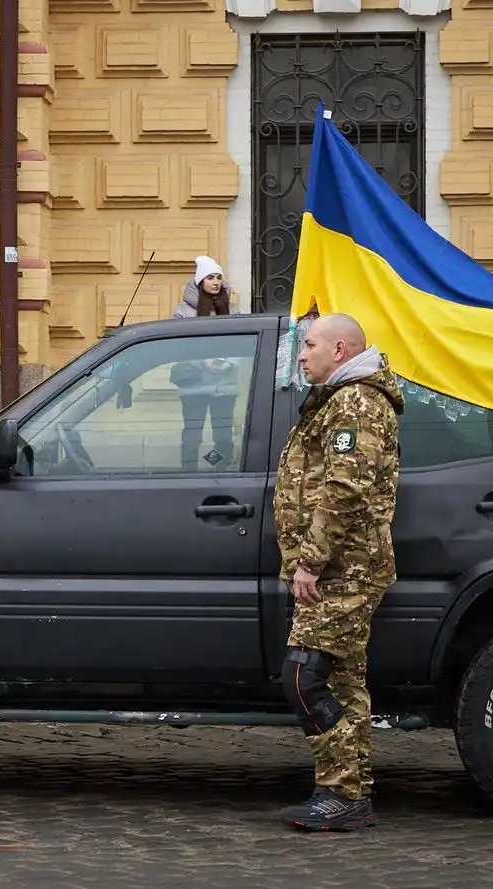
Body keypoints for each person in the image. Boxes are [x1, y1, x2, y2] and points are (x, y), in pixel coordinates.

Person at [272, 312, 404, 832]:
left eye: (309, 345)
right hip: (341, 568)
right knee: (345, 685)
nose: (301, 354)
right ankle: (348, 795)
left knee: (303, 677)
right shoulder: (340, 400)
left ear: (341, 350)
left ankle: (341, 789)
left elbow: (346, 490)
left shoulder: (356, 403)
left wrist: (310, 561)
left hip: (342, 571)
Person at [170, 256, 242, 470]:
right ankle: (189, 474)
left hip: (225, 386)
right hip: (194, 386)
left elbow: (241, 342)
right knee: (192, 436)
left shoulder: (232, 309)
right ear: (200, 281)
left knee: (223, 439)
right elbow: (178, 345)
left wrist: (229, 363)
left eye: (219, 277)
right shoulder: (183, 312)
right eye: (210, 277)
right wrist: (204, 363)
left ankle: (215, 469)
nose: (216, 282)